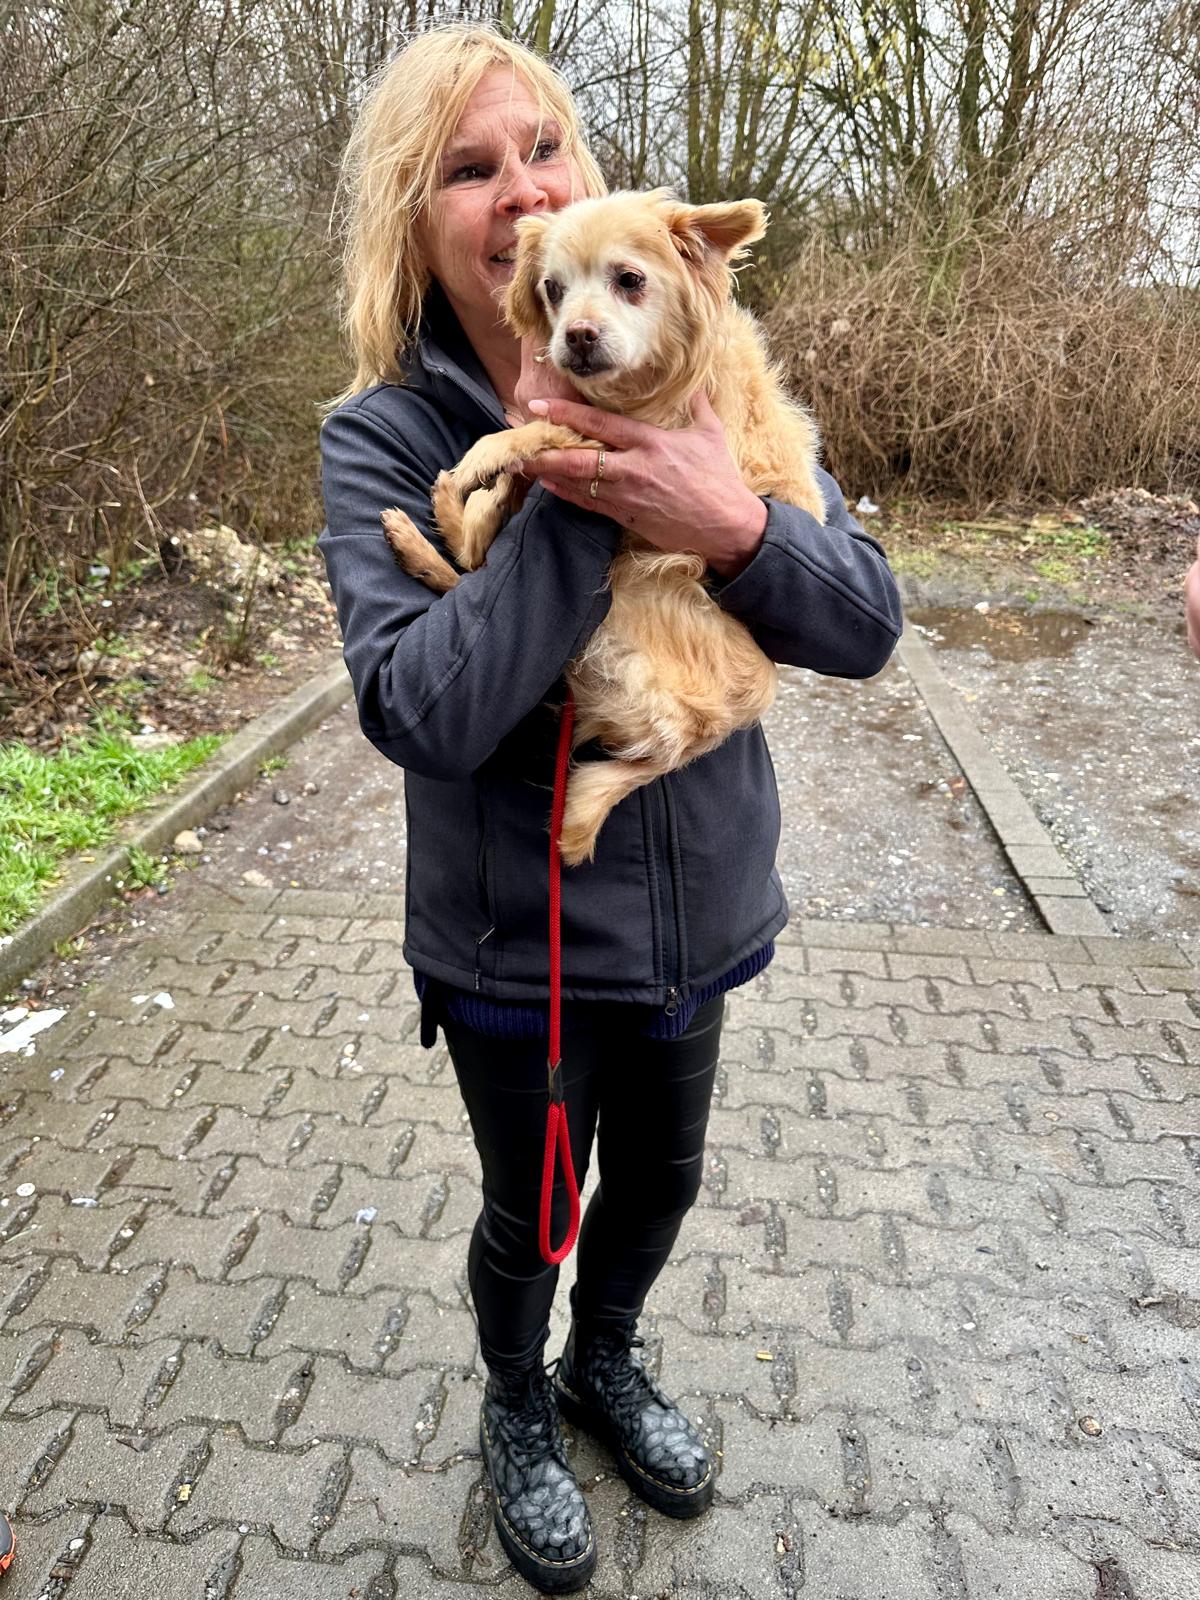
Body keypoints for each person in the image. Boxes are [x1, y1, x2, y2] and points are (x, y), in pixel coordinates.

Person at [318, 23, 902, 1594]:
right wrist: (585, 486)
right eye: (469, 169)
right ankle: (517, 1398)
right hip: (514, 937)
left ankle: (605, 1358)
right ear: (414, 221)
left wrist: (732, 522)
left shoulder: (712, 370)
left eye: (542, 148)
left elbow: (864, 623)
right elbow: (422, 711)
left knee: (660, 1181)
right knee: (535, 1206)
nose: (521, 191)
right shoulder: (384, 435)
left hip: (697, 910)